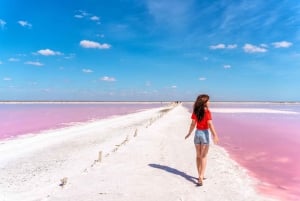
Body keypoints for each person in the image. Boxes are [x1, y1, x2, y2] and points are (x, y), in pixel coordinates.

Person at [185, 94, 219, 186]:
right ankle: (201, 176)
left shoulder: (195, 111)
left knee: (198, 156)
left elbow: (192, 124)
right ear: (204, 102)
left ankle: (199, 175)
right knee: (203, 156)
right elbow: (210, 124)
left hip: (197, 134)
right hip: (204, 134)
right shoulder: (207, 112)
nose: (209, 102)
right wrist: (215, 135)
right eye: (208, 101)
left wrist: (189, 133)